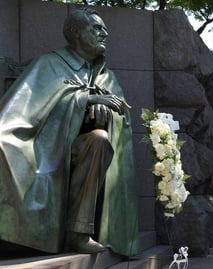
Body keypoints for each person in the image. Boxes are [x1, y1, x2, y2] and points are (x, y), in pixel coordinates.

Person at [0, 8, 139, 256]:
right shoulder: (49, 63)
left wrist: (103, 113)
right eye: (96, 28)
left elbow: (122, 117)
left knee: (99, 139)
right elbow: (18, 112)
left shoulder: (108, 78)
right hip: (42, 148)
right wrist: (84, 100)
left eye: (105, 28)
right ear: (75, 33)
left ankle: (79, 231)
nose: (104, 33)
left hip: (80, 152)